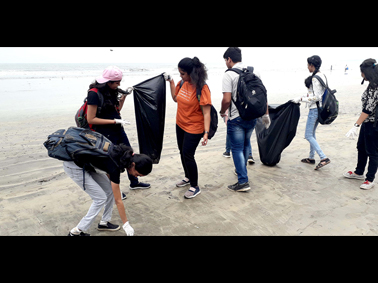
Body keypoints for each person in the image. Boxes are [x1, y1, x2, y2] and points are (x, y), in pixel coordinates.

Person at [86, 66, 150, 199]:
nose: (119, 84)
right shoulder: (94, 93)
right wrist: (114, 122)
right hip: (104, 133)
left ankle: (134, 182)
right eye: (116, 82)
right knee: (112, 160)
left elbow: (116, 110)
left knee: (129, 154)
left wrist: (124, 97)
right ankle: (115, 190)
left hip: (118, 129)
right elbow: (91, 119)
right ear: (107, 82)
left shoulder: (112, 91)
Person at [64, 144, 153, 236]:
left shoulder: (125, 155)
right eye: (137, 174)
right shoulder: (115, 165)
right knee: (100, 198)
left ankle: (104, 223)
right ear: (133, 164)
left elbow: (107, 170)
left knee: (110, 191)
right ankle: (75, 232)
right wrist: (126, 224)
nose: (135, 176)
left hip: (87, 164)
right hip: (74, 165)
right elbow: (118, 201)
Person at [220, 47, 270, 192]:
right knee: (246, 143)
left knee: (236, 148)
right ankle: (241, 170)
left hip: (236, 117)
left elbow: (226, 99)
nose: (226, 63)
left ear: (229, 59)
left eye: (225, 60)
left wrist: (223, 112)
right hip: (252, 115)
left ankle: (243, 181)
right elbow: (263, 95)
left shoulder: (228, 75)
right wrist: (265, 114)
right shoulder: (254, 71)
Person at [165, 57, 211, 199]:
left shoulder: (202, 88)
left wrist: (206, 132)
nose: (181, 76)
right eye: (179, 73)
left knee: (188, 154)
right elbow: (175, 97)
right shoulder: (182, 82)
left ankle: (195, 186)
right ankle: (187, 177)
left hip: (194, 127)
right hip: (180, 124)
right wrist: (171, 82)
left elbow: (206, 112)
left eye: (183, 73)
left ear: (193, 73)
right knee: (182, 151)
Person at [344, 58, 378, 190]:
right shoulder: (371, 85)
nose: (361, 74)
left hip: (374, 124)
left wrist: (356, 125)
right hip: (367, 122)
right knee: (361, 147)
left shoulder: (375, 87)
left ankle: (370, 179)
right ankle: (359, 172)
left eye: (362, 72)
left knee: (373, 151)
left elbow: (368, 109)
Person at [292, 55, 331, 170]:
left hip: (315, 109)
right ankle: (311, 157)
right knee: (312, 134)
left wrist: (300, 99)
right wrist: (302, 97)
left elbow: (317, 97)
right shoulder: (322, 75)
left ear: (312, 65)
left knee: (308, 135)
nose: (308, 67)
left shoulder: (314, 78)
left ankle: (323, 158)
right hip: (321, 109)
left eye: (308, 65)